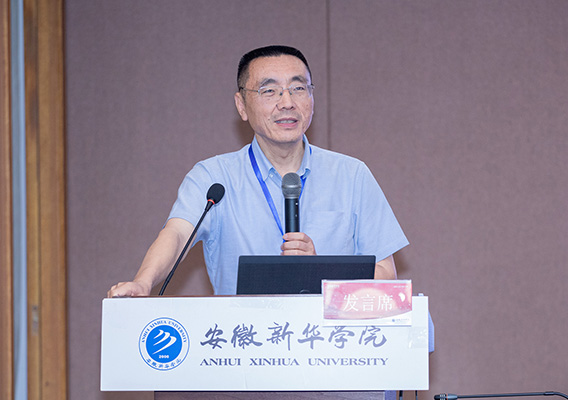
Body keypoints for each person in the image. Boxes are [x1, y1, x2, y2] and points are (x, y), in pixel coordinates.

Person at [108, 45, 408, 297]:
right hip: (244, 343)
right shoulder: (214, 178)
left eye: (298, 88)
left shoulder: (352, 175)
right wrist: (143, 282)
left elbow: (386, 275)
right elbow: (176, 234)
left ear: (312, 99)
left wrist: (321, 270)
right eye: (269, 91)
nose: (287, 103)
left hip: (331, 344)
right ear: (241, 105)